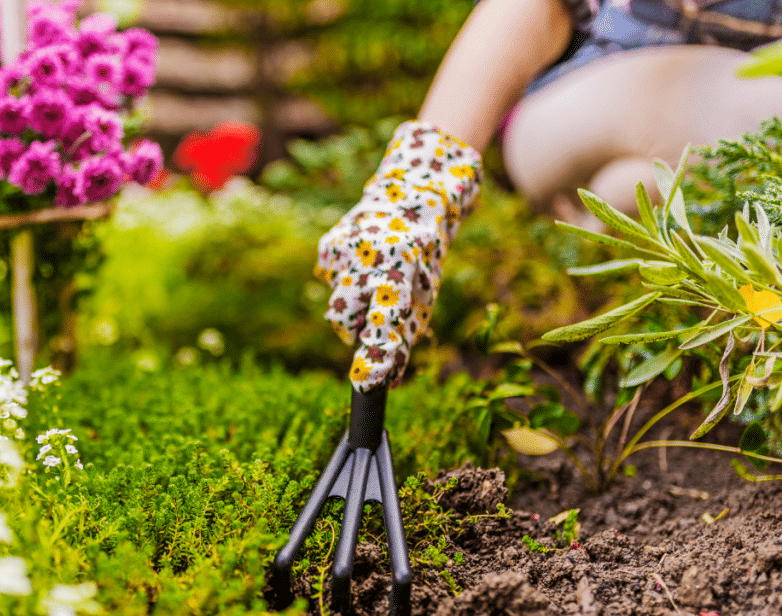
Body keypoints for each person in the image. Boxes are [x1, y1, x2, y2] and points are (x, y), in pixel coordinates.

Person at [316, 0, 782, 392]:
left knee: (633, 187)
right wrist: (416, 187)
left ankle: (617, 214)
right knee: (762, 97)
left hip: (686, 158)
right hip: (580, 110)